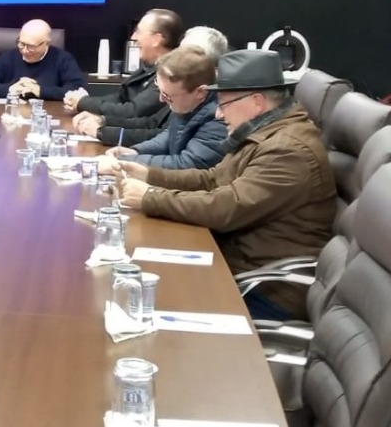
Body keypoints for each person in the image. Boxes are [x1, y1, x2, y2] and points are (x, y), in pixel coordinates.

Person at [112, 50, 336, 320]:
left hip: (265, 290)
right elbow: (212, 179)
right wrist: (149, 175)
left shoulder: (287, 151)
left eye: (224, 104)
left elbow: (227, 207)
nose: (218, 114)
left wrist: (150, 197)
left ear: (256, 102)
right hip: (236, 264)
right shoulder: (264, 133)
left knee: (147, 299)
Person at [76, 24, 228, 146]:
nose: (177, 56)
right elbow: (153, 124)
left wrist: (102, 132)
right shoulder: (182, 89)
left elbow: (161, 137)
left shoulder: (213, 108)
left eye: (183, 54)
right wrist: (104, 121)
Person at [96, 47, 226, 170]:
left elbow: (187, 164)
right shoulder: (187, 103)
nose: (161, 100)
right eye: (160, 91)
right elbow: (169, 136)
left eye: (167, 95)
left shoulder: (220, 118)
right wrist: (136, 151)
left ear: (200, 93)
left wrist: (124, 162)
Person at [66, 9, 182, 123]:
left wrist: (83, 103)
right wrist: (83, 103)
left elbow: (133, 111)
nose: (133, 37)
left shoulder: (171, 74)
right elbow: (121, 98)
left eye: (139, 32)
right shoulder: (149, 68)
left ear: (156, 40)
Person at [0, 19, 85, 99]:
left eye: (31, 47)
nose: (25, 50)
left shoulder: (63, 59)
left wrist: (40, 91)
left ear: (46, 44)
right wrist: (10, 89)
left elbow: (79, 89)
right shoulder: (8, 57)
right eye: (21, 43)